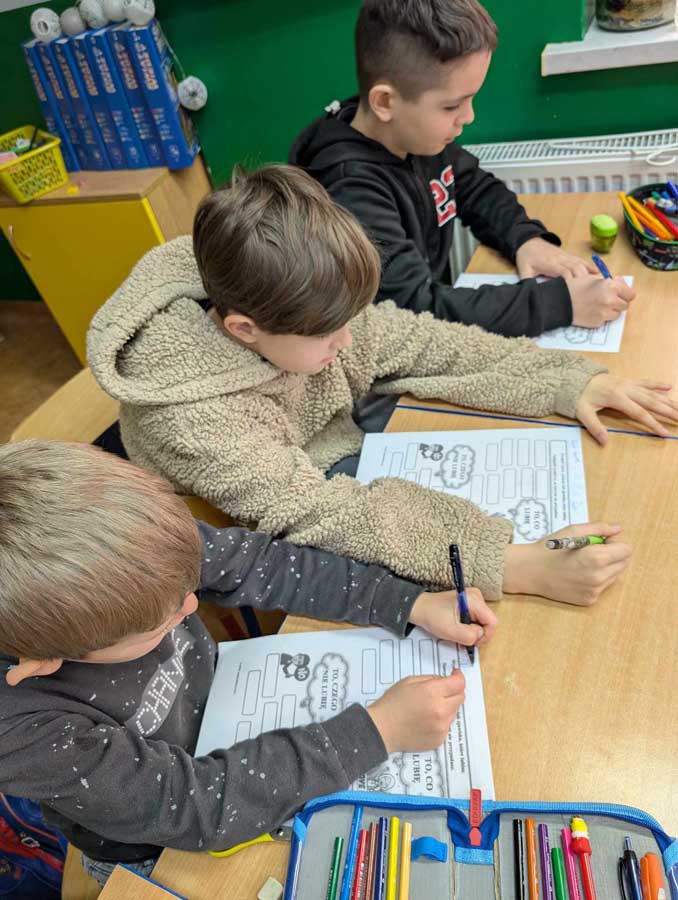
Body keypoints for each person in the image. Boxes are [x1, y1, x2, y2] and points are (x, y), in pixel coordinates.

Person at [88, 165, 677, 605]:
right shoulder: (192, 420)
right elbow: (326, 512)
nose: (348, 339)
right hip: (260, 517)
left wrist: (568, 380)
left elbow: (421, 340)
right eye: (328, 334)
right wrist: (509, 563)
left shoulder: (292, 305)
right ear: (245, 329)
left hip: (318, 451)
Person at [0, 440, 494, 887]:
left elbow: (259, 563)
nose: (192, 605)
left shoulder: (135, 547)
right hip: (156, 847)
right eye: (160, 624)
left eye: (188, 587)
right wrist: (378, 731)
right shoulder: (22, 730)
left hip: (235, 724)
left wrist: (405, 602)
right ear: (44, 660)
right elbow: (191, 805)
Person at [288, 0, 635, 338]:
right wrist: (560, 304)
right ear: (385, 102)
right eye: (452, 105)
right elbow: (415, 311)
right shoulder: (348, 191)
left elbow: (474, 187)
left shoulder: (413, 137)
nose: (468, 117)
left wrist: (524, 238)